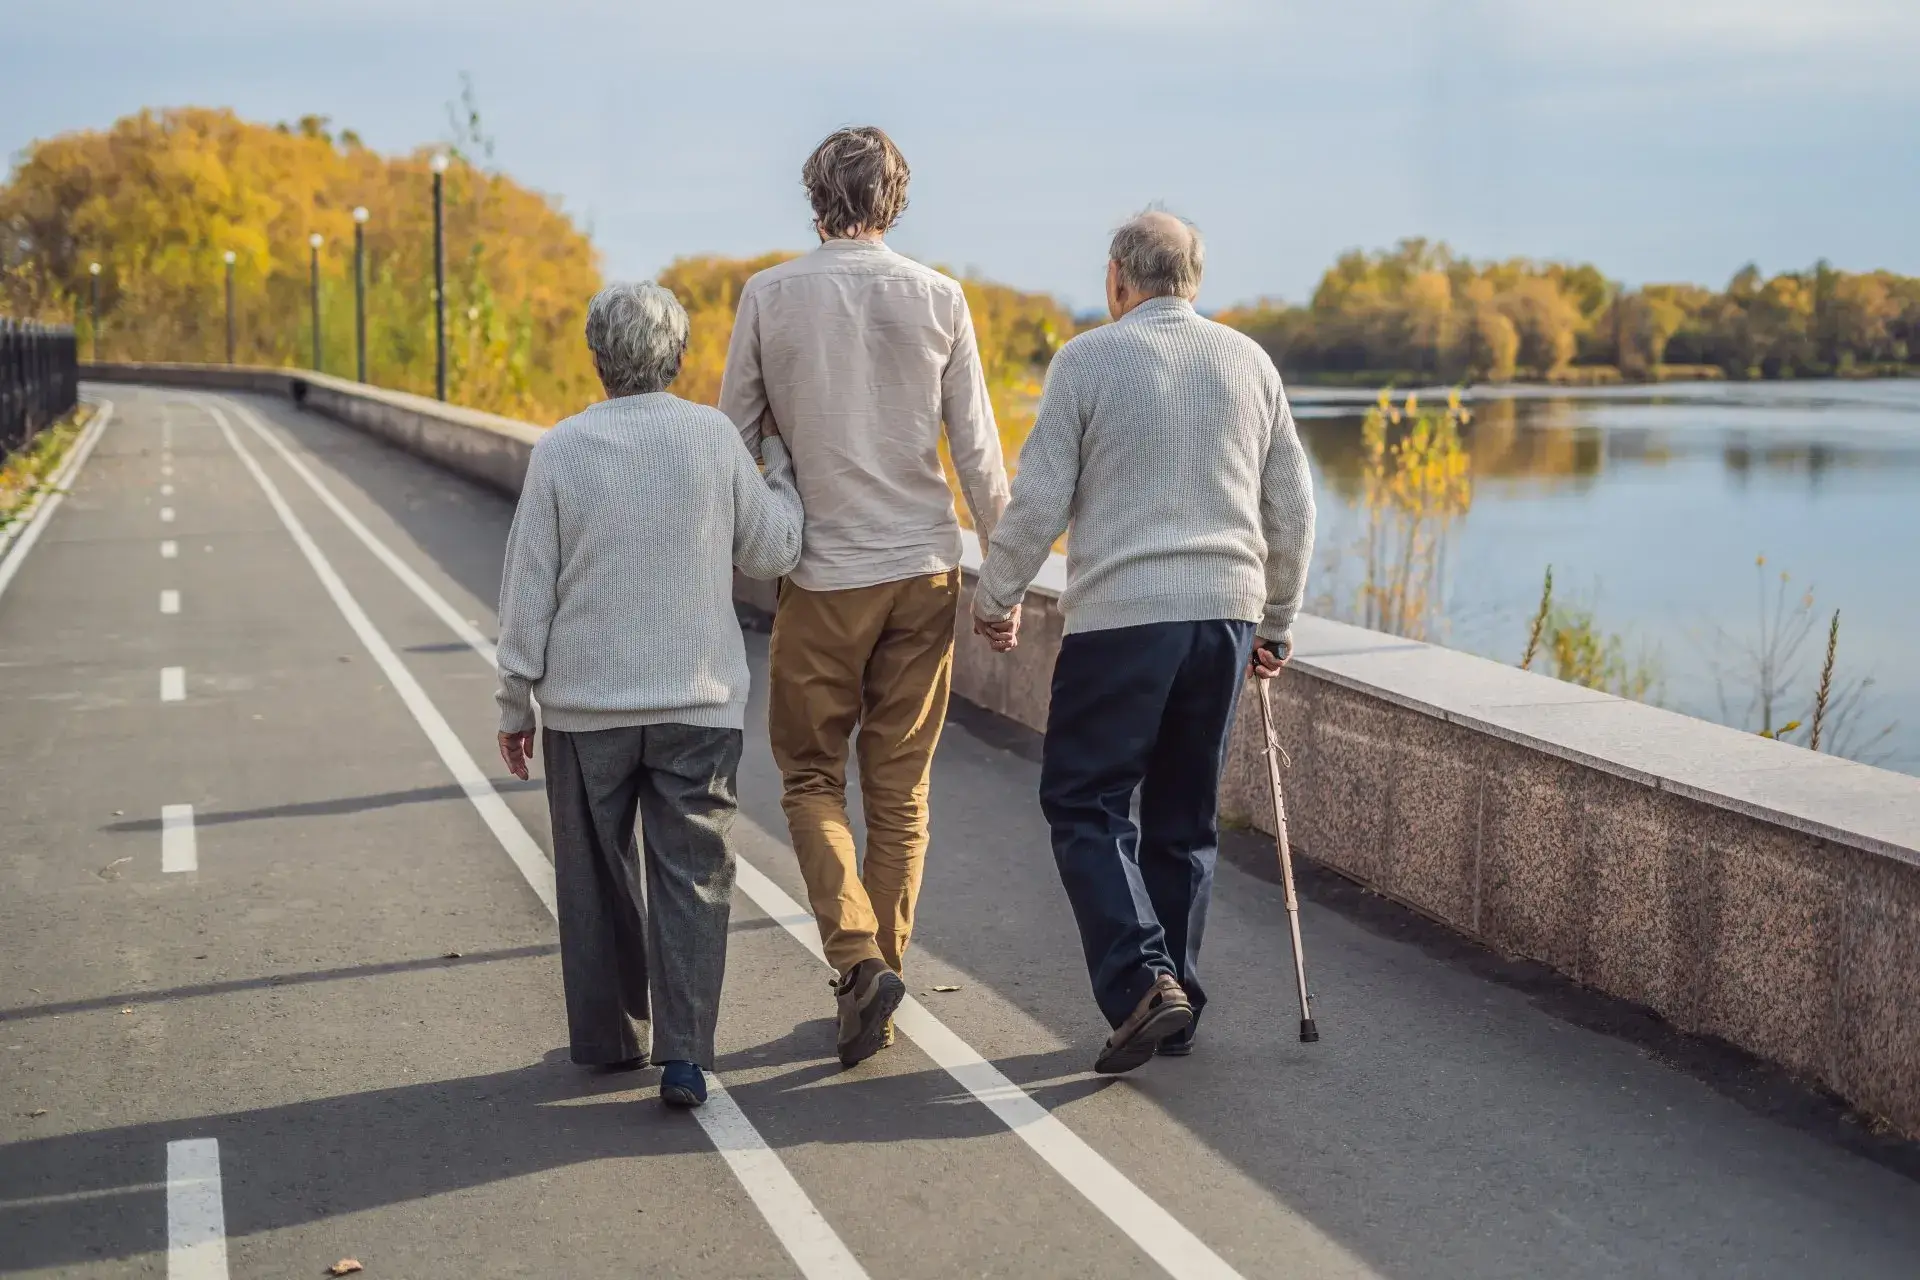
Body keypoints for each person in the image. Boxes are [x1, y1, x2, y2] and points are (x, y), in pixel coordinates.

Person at [973, 210, 1315, 1074]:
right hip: (1225, 619)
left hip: (1125, 617)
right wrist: (1277, 621)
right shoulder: (1249, 361)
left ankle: (1139, 985)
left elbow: (1040, 497)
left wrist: (996, 595)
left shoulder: (1089, 359)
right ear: (1194, 280)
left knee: (1086, 802)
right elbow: (1294, 506)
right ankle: (1180, 1005)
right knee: (1183, 816)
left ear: (1120, 279)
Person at [719, 126, 1012, 1068]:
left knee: (809, 777)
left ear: (814, 198)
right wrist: (1000, 585)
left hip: (826, 571)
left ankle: (855, 960)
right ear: (895, 202)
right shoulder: (941, 298)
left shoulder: (769, 296)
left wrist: (773, 475)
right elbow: (978, 458)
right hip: (925, 569)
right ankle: (875, 985)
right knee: (901, 794)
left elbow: (735, 435)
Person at [494, 280, 803, 1108]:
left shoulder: (562, 448)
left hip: (586, 709)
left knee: (593, 875)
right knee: (694, 873)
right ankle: (686, 1055)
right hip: (696, 706)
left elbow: (528, 585)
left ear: (598, 360)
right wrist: (781, 475)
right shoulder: (710, 439)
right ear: (680, 358)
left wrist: (513, 699)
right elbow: (772, 549)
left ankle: (609, 1036)